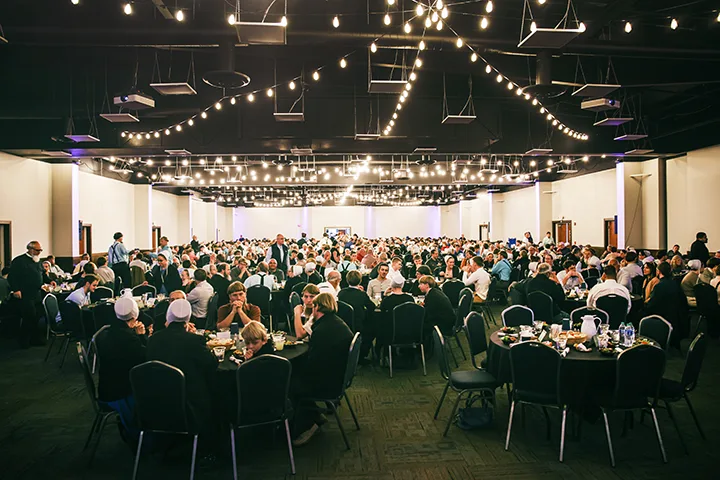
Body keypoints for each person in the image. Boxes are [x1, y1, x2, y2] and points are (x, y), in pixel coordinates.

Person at [147, 299, 218, 434]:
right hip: (189, 398)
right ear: (188, 319)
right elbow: (212, 364)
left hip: (158, 397)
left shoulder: (153, 339)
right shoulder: (195, 341)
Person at [291, 293, 353, 446]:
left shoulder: (322, 330)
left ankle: (306, 425)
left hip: (329, 383)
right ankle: (316, 416)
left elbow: (313, 365)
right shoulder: (335, 323)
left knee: (289, 385)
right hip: (340, 376)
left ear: (317, 307)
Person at [95, 295, 146, 433]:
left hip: (105, 387)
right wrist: (141, 336)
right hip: (119, 393)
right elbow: (145, 361)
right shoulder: (130, 339)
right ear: (134, 316)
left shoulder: (108, 332)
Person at [8, 241, 46, 347]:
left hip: (37, 294)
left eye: (40, 250)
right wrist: (16, 290)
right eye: (37, 250)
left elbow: (41, 274)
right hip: (25, 294)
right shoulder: (19, 261)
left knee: (37, 316)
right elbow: (12, 277)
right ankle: (24, 341)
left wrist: (48, 281)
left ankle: (34, 339)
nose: (39, 253)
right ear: (30, 249)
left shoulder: (37, 261)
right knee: (29, 317)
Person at [646, 262, 689, 348]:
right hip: (677, 319)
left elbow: (652, 305)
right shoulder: (676, 284)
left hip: (662, 318)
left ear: (658, 272)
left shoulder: (659, 286)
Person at [338, 270, 376, 362]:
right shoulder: (362, 294)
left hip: (343, 323)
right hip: (359, 324)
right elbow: (372, 307)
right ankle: (362, 355)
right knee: (372, 331)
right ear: (360, 281)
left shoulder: (341, 293)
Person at [377, 275, 412, 353]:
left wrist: (385, 295)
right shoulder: (410, 299)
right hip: (409, 331)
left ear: (392, 285)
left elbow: (382, 310)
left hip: (391, 332)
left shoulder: (387, 300)